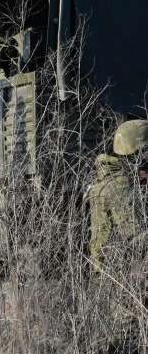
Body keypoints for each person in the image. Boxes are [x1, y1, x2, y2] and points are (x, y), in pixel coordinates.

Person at [86, 119, 148, 352]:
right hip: (125, 280)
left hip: (111, 278)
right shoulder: (120, 188)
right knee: (128, 338)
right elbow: (137, 238)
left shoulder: (108, 182)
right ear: (137, 153)